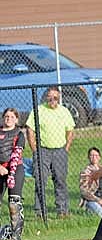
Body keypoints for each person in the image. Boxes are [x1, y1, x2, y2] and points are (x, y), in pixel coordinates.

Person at [26, 87, 75, 219]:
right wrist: (35, 150)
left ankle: (63, 211)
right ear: (46, 97)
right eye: (50, 97)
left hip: (60, 150)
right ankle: (40, 212)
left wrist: (66, 148)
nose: (52, 100)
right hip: (43, 150)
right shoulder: (39, 110)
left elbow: (70, 131)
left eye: (55, 97)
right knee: (41, 181)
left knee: (60, 180)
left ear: (59, 99)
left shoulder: (64, 111)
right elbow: (30, 130)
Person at [0, 108, 25, 240]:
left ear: (16, 119)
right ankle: (3, 232)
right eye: (6, 116)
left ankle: (16, 237)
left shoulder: (19, 134)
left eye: (11, 116)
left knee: (13, 203)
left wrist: (10, 174)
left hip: (15, 170)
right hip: (0, 169)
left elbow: (16, 154)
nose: (8, 119)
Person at [79, 147, 102, 217]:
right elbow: (84, 192)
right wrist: (99, 201)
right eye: (91, 155)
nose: (94, 157)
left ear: (99, 157)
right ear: (88, 157)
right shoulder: (85, 172)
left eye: (96, 155)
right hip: (92, 201)